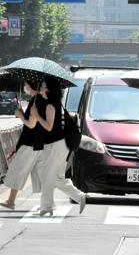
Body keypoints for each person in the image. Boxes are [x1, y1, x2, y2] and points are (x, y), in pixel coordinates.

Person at [31, 77, 86, 217]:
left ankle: (47, 206)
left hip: (55, 144)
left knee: (47, 175)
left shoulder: (51, 105)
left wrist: (37, 116)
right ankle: (79, 196)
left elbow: (49, 127)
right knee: (56, 177)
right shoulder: (57, 104)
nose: (40, 89)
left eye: (42, 86)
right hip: (62, 145)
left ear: (48, 89)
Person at [0, 81, 47, 210]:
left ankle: (11, 201)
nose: (25, 87)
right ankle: (46, 203)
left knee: (18, 170)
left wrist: (20, 116)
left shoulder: (36, 101)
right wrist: (23, 114)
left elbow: (31, 124)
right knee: (38, 174)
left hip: (30, 144)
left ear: (30, 86)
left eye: (26, 85)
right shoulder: (38, 100)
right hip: (36, 143)